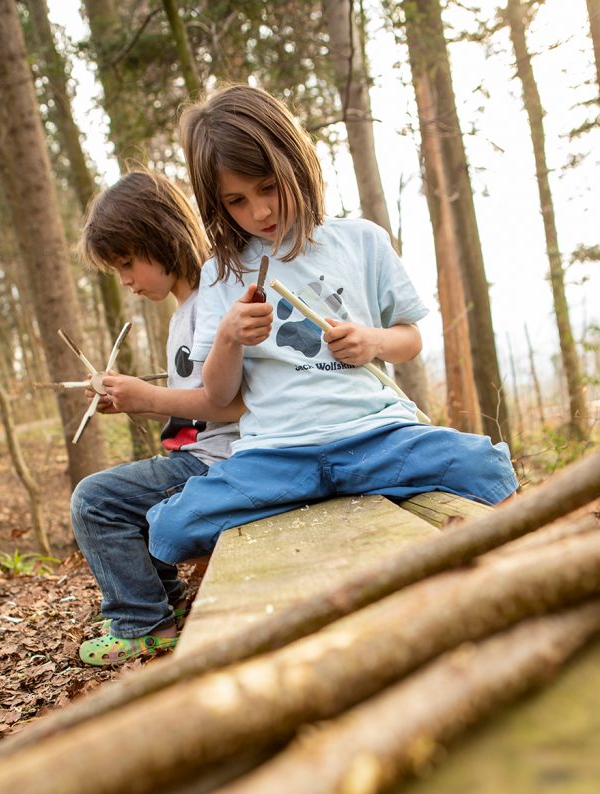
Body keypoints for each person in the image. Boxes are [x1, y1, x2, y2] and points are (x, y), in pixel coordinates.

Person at [145, 84, 517, 565]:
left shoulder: (360, 241)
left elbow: (410, 340)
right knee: (172, 527)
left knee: (486, 464)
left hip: (377, 439)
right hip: (276, 457)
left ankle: (532, 560)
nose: (259, 212)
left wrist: (372, 341)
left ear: (295, 164)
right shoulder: (222, 271)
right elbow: (217, 397)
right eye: (236, 201)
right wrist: (229, 337)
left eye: (268, 188)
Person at [71, 169, 242, 666]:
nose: (125, 281)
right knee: (126, 492)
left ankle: (143, 623)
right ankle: (163, 601)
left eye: (127, 263)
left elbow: (232, 404)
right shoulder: (187, 309)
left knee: (95, 500)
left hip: (223, 463)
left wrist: (147, 397)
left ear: (161, 236)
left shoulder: (214, 297)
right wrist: (134, 398)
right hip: (205, 455)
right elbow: (194, 403)